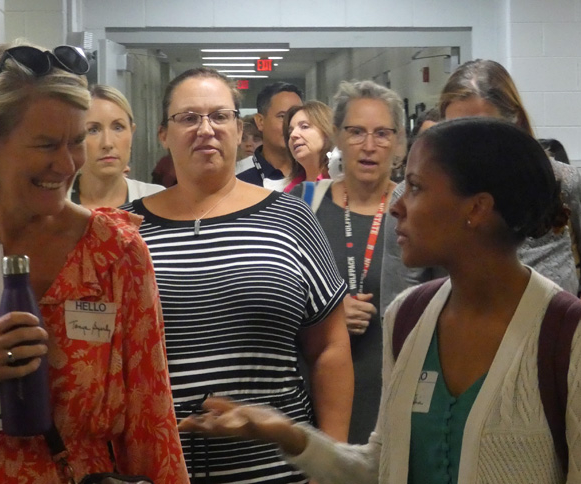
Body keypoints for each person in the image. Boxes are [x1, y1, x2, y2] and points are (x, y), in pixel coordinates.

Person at [179, 117, 581, 484]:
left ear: (475, 209)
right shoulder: (409, 317)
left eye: (415, 188)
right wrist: (285, 433)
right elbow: (380, 468)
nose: (397, 205)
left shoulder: (574, 337)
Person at [0, 42, 186, 483]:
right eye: (45, 145)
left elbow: (152, 421)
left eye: (77, 141)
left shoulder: (115, 253)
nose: (66, 163)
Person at [122, 67, 353, 483]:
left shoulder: (291, 217)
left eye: (219, 116)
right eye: (189, 118)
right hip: (161, 470)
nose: (205, 129)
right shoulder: (125, 233)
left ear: (239, 127)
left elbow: (329, 349)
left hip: (279, 470)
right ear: (162, 134)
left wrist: (331, 462)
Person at [381, 59, 581, 315]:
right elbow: (398, 309)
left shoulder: (561, 185)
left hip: (553, 348)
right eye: (455, 131)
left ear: (513, 123)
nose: (469, 149)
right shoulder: (414, 200)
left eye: (483, 133)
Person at [289, 81, 401, 444]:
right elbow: (281, 300)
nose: (369, 146)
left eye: (382, 134)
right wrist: (333, 312)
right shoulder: (304, 205)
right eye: (356, 132)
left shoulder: (418, 210)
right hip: (315, 394)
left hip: (394, 393)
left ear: (398, 143)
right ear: (336, 136)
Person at [70, 84, 164, 209]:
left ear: (131, 132)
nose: (107, 143)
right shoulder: (55, 204)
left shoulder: (157, 199)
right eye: (93, 130)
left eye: (118, 128)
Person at [236, 82, 304, 190]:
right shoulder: (237, 177)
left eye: (296, 116)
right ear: (260, 121)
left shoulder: (313, 173)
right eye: (282, 116)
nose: (290, 124)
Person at [283, 100, 335, 192]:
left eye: (304, 127)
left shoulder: (344, 182)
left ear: (327, 131)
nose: (293, 135)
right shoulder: (289, 192)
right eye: (290, 131)